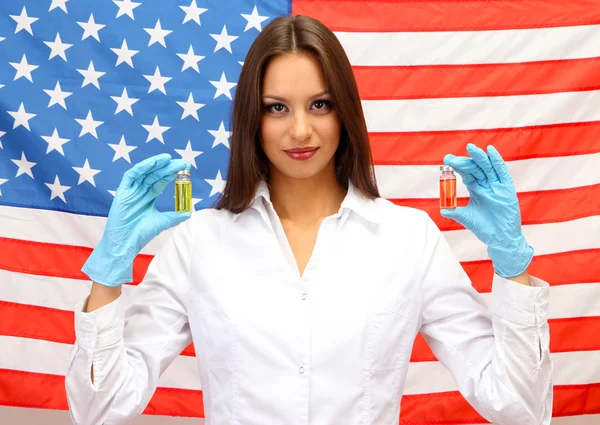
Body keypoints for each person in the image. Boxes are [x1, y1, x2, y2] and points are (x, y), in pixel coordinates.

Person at [65, 14, 552, 425]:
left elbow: (520, 407)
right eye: (277, 108)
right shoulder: (200, 242)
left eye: (320, 104)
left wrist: (512, 263)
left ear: (345, 113)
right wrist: (107, 272)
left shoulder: (409, 239)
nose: (300, 130)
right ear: (252, 119)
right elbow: (102, 409)